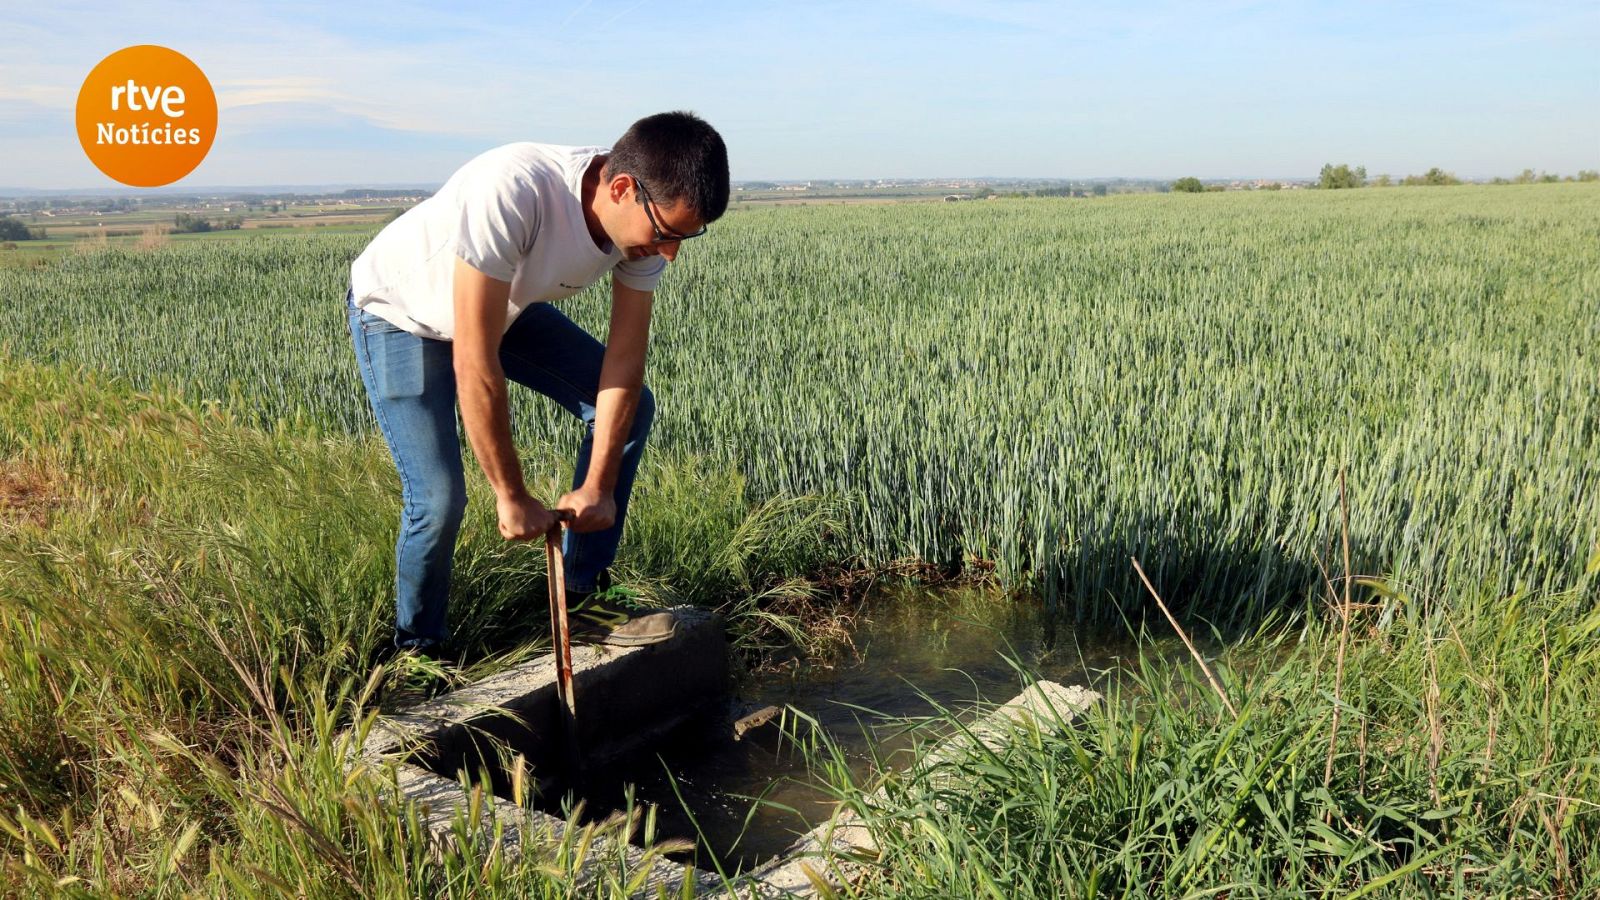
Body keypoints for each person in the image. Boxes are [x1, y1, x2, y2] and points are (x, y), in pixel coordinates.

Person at [345, 111, 729, 658]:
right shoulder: (514, 190)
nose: (670, 252)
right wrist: (511, 495)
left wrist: (598, 487)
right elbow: (475, 361)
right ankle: (418, 652)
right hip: (402, 314)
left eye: (686, 237)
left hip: (503, 306)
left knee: (631, 409)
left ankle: (582, 599)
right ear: (622, 189)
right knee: (439, 497)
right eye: (667, 234)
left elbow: (623, 363)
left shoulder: (642, 228)